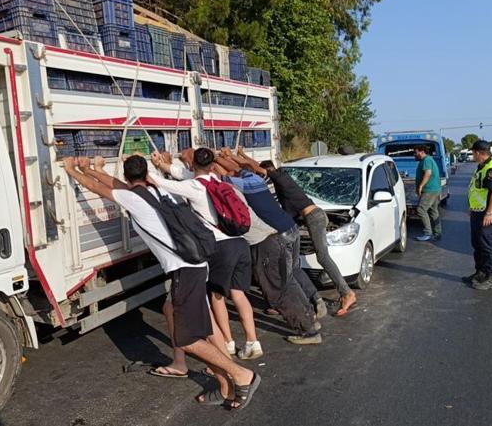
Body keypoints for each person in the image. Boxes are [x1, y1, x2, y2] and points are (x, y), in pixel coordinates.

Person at [62, 155, 261, 409]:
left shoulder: (133, 198)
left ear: (127, 177)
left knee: (188, 338)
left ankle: (242, 375)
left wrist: (74, 170)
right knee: (200, 327)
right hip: (197, 265)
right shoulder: (157, 192)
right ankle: (224, 386)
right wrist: (92, 169)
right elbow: (113, 184)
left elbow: (100, 188)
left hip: (184, 271)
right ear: (145, 174)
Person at [149, 148, 263, 360]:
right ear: (213, 165)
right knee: (238, 294)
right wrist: (165, 165)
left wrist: (152, 167)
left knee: (217, 297)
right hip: (240, 244)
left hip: (220, 247)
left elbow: (162, 184)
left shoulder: (193, 186)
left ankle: (228, 343)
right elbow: (180, 174)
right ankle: (252, 342)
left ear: (192, 165)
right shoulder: (220, 182)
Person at [213, 151, 321, 344]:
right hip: (287, 229)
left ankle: (308, 330)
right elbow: (237, 168)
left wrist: (211, 160)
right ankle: (309, 316)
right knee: (288, 280)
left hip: (271, 238)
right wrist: (226, 157)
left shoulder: (239, 185)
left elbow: (220, 176)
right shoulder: (254, 179)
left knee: (277, 288)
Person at [235, 148, 353, 316]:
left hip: (314, 217)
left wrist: (234, 157)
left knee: (323, 257)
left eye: (264, 173)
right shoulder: (279, 184)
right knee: (298, 263)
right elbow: (255, 167)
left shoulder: (281, 176)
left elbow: (255, 168)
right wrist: (241, 154)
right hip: (312, 217)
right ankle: (317, 297)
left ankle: (347, 293)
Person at [462, 140, 492, 290]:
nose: (472, 155)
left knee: (488, 245)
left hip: (487, 212)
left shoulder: (491, 169)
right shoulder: (481, 167)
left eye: (473, 153)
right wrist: (472, 206)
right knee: (478, 243)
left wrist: (490, 212)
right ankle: (480, 273)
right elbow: (478, 190)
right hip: (478, 211)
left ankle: (491, 277)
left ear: (478, 153)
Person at [414, 145, 443, 241]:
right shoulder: (426, 160)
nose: (415, 154)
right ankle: (437, 233)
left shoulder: (426, 160)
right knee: (433, 211)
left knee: (421, 209)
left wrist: (421, 186)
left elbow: (428, 173)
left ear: (422, 152)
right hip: (434, 189)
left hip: (430, 190)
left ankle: (428, 233)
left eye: (416, 152)